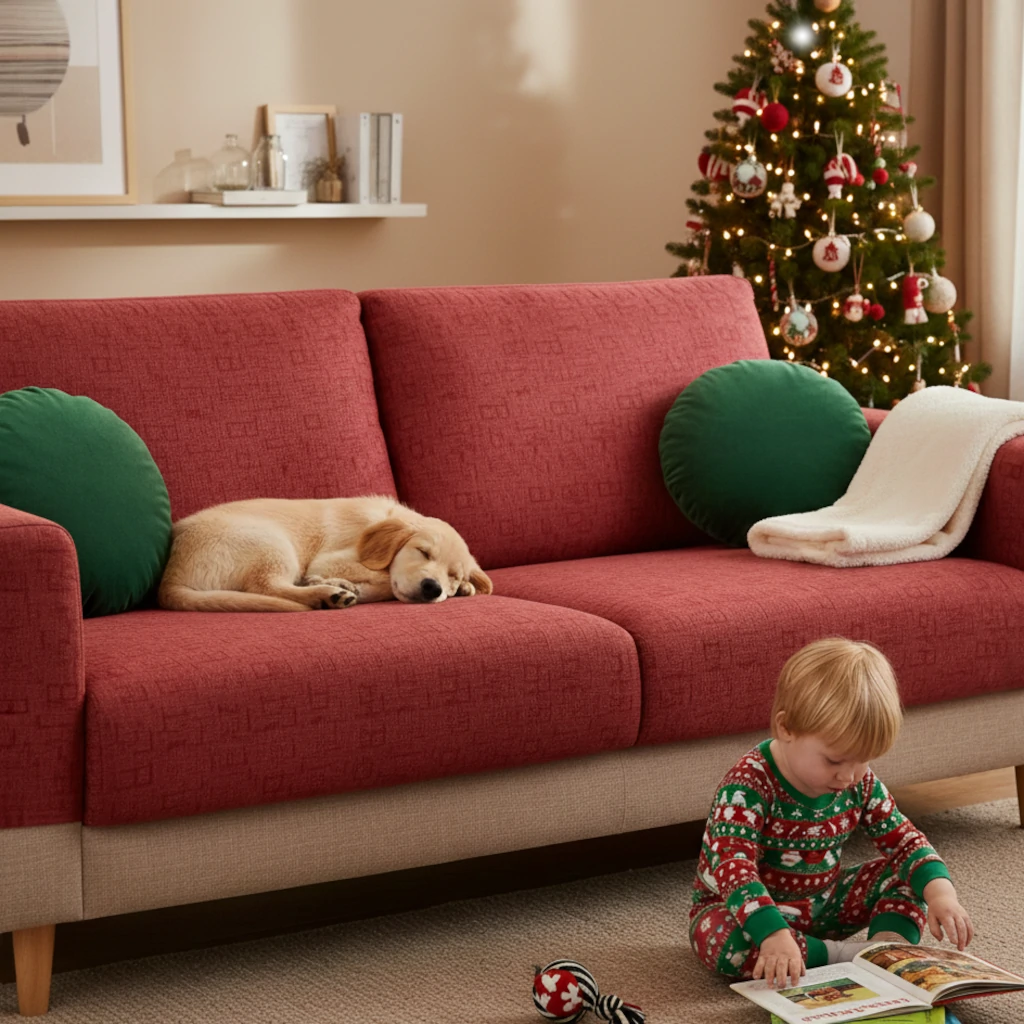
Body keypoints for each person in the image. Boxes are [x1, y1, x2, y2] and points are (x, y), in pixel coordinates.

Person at [689, 637, 973, 989]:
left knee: (911, 876)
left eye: (862, 760)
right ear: (786, 728)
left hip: (823, 904)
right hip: (745, 913)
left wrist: (941, 894)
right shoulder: (748, 786)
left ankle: (885, 951)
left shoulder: (857, 780)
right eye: (835, 760)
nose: (848, 776)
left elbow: (904, 841)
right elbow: (735, 869)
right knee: (722, 943)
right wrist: (773, 933)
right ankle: (843, 956)